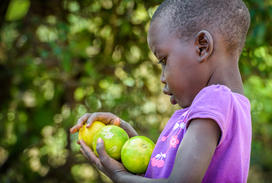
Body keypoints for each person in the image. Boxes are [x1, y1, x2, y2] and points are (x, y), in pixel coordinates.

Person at [70, 0, 252, 182]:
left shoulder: (214, 99)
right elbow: (168, 174)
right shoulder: (224, 106)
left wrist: (119, 177)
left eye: (164, 60)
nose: (163, 78)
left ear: (202, 47)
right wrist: (131, 143)